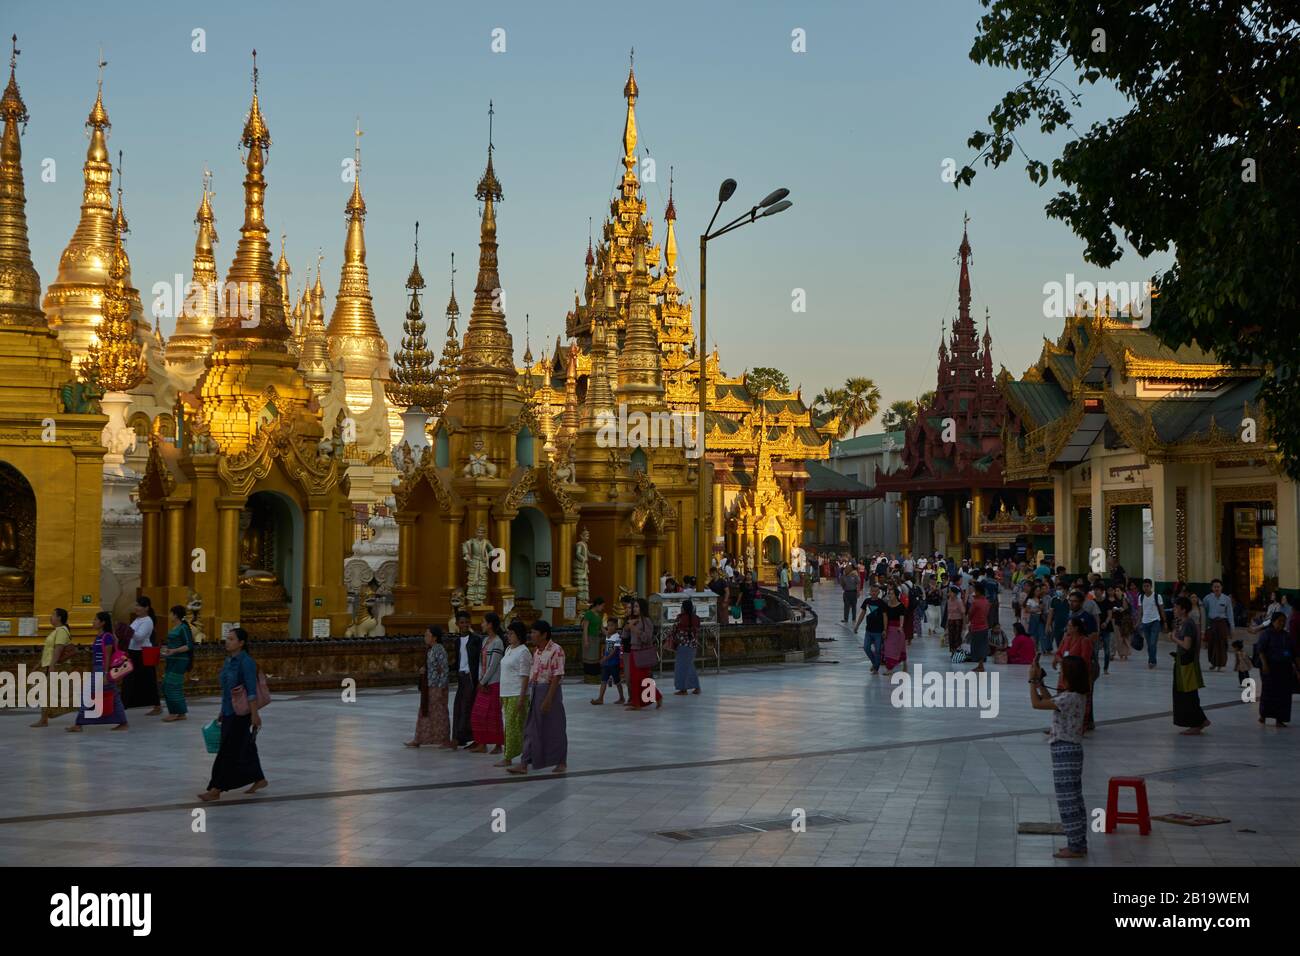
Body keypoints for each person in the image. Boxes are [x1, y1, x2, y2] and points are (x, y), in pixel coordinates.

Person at [1029, 654, 1089, 859]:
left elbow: (1037, 704)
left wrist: (1031, 681)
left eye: (1063, 672)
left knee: (1067, 800)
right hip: (1071, 750)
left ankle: (1075, 846)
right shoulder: (1074, 696)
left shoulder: (1070, 697)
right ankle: (1078, 842)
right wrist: (1039, 682)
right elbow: (1049, 700)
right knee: (1074, 798)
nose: (1061, 675)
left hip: (1066, 751)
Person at [198, 627, 267, 800]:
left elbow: (251, 690)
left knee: (227, 751)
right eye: (227, 639)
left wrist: (254, 715)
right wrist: (222, 710)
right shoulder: (229, 661)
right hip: (229, 711)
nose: (227, 642)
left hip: (241, 713)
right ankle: (259, 778)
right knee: (244, 746)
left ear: (241, 643)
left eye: (231, 639)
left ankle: (216, 788)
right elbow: (227, 691)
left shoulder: (246, 662)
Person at [509, 620, 567, 775]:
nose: (531, 635)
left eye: (535, 632)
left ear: (544, 634)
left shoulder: (556, 650)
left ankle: (561, 761)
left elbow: (557, 676)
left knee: (555, 727)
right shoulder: (536, 651)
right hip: (536, 690)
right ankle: (524, 762)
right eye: (532, 632)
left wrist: (548, 699)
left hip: (550, 691)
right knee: (531, 727)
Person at [67, 612, 128, 732]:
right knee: (114, 697)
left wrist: (105, 674)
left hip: (103, 670)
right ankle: (123, 722)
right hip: (98, 669)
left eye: (96, 620)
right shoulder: (99, 637)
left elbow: (108, 657)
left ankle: (79, 723)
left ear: (102, 623)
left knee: (87, 694)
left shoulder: (107, 637)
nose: (93, 622)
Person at [407, 625, 455, 749]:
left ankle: (445, 740)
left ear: (434, 637)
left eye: (427, 635)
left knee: (440, 713)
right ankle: (419, 738)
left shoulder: (439, 650)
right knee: (425, 711)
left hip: (437, 686)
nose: (425, 637)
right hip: (429, 685)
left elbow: (444, 670)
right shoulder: (430, 649)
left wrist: (440, 688)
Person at [1171, 595, 1210, 735]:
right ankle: (1201, 720)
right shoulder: (1185, 622)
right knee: (1187, 693)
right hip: (1184, 663)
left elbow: (1187, 645)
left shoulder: (1188, 624)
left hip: (1186, 664)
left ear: (1183, 609)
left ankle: (1195, 723)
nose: (1174, 609)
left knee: (1187, 694)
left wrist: (1174, 638)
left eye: (1176, 607)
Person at [497, 621, 533, 766]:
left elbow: (525, 676)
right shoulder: (508, 649)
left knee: (513, 726)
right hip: (506, 692)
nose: (508, 636)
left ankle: (508, 757)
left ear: (518, 635)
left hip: (517, 693)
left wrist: (522, 697)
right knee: (510, 725)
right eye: (508, 633)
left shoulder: (523, 652)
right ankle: (519, 753)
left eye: (511, 633)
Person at [1252, 611, 1297, 727]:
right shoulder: (1266, 634)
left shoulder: (1286, 636)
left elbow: (1293, 653)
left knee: (1284, 694)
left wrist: (1296, 668)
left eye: (1283, 621)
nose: (1282, 624)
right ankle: (1263, 715)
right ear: (1273, 622)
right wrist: (1265, 665)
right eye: (1279, 621)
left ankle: (1280, 719)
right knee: (1268, 692)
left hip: (1284, 668)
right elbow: (1261, 650)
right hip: (1270, 667)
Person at [469, 613, 506, 754]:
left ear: (490, 624)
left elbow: (493, 665)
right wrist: (480, 679)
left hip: (493, 683)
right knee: (478, 714)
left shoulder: (498, 642)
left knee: (493, 714)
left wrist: (483, 681)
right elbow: (481, 663)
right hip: (484, 682)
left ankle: (498, 745)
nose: (482, 624)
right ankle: (482, 742)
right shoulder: (485, 641)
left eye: (484, 622)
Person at [31, 608, 74, 727]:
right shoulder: (56, 631)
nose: (51, 617)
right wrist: (39, 664)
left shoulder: (61, 630)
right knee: (45, 691)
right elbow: (49, 651)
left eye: (53, 615)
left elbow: (58, 649)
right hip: (49, 664)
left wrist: (52, 665)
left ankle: (45, 718)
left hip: (57, 666)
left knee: (48, 692)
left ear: (59, 618)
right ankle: (44, 718)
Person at [1054, 616, 1097, 731]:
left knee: (1078, 701)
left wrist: (1066, 662)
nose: (1067, 628)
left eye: (1069, 626)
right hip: (1064, 675)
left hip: (1077, 677)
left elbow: (1085, 661)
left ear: (1076, 628)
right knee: (1061, 699)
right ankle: (1059, 724)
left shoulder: (1085, 641)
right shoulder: (1066, 639)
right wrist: (1060, 660)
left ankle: (1080, 725)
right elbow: (1058, 653)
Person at [122, 596, 161, 714]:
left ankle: (157, 706)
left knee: (148, 680)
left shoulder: (148, 621)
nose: (136, 608)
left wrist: (128, 630)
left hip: (143, 653)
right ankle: (126, 703)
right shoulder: (137, 619)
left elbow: (139, 637)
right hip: (133, 652)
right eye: (136, 605)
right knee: (129, 679)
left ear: (146, 608)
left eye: (139, 606)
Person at [158, 604, 194, 722]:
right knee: (167, 685)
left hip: (180, 660)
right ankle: (180, 712)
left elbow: (189, 645)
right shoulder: (174, 628)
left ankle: (174, 712)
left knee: (171, 685)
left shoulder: (183, 628)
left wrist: (174, 650)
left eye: (171, 613)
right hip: (171, 659)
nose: (170, 616)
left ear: (176, 615)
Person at [451, 611, 482, 747]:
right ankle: (460, 737)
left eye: (466, 622)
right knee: (458, 706)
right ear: (457, 624)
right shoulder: (457, 641)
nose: (464, 625)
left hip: (471, 677)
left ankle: (464, 737)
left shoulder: (476, 639)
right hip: (461, 676)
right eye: (462, 622)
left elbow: (479, 659)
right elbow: (458, 659)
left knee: (466, 707)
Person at [625, 597, 662, 709]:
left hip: (642, 652)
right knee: (636, 679)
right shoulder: (634, 620)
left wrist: (634, 628)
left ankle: (638, 703)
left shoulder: (647, 621)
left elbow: (646, 638)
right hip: (633, 651)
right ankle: (654, 697)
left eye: (636, 606)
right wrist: (627, 626)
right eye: (633, 606)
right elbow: (625, 636)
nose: (634, 609)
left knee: (641, 679)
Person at [670, 598, 702, 695]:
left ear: (683, 608)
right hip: (693, 645)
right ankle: (696, 687)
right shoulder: (696, 618)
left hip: (682, 645)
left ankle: (683, 689)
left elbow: (674, 630)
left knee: (681, 668)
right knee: (690, 666)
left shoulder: (680, 618)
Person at [853, 583, 888, 673]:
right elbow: (862, 614)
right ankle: (875, 663)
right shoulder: (867, 601)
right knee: (866, 647)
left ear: (879, 592)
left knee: (878, 650)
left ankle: (876, 668)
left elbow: (885, 616)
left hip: (878, 631)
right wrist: (857, 625)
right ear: (870, 592)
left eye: (876, 591)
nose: (873, 593)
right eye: (872, 591)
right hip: (868, 630)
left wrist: (885, 629)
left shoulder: (881, 603)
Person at [591, 618, 625, 705]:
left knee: (617, 681)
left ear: (616, 626)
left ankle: (622, 697)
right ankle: (600, 698)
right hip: (607, 663)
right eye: (608, 625)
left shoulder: (617, 637)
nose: (609, 627)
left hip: (614, 663)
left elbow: (614, 651)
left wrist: (605, 658)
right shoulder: (608, 635)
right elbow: (603, 631)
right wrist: (599, 623)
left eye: (612, 625)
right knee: (603, 680)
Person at [1202, 579, 1234, 671]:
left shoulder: (1226, 599)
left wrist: (1232, 628)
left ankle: (1221, 664)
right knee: (1212, 644)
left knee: (1222, 644)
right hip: (1212, 623)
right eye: (1215, 587)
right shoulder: (1207, 598)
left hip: (1222, 623)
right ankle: (1213, 663)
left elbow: (1230, 614)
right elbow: (1204, 612)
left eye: (1218, 587)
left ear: (1221, 587)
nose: (1217, 588)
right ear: (1212, 588)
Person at [1137, 579, 1165, 669]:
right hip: (1145, 622)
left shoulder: (1157, 596)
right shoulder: (1141, 597)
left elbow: (1161, 609)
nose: (1145, 588)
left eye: (1147, 586)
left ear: (1151, 586)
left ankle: (1151, 661)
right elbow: (1140, 611)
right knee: (1149, 644)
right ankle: (1152, 659)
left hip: (1155, 621)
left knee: (1153, 643)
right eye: (1144, 586)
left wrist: (1165, 622)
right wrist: (1138, 622)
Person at [881, 586, 908, 673]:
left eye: (891, 594)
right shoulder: (886, 605)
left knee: (899, 649)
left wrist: (900, 626)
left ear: (896, 595)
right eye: (889, 594)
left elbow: (901, 618)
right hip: (889, 629)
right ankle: (889, 668)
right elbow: (885, 617)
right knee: (889, 649)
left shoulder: (901, 606)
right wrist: (884, 629)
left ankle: (904, 664)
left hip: (897, 630)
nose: (890, 595)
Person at [580, 597, 606, 683]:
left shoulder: (599, 615)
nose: (603, 608)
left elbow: (601, 628)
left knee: (595, 658)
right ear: (597, 605)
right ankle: (589, 677)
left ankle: (595, 677)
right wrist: (586, 640)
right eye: (602, 606)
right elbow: (585, 628)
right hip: (589, 637)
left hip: (596, 638)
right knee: (588, 657)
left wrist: (610, 635)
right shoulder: (589, 614)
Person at [967, 582, 991, 672]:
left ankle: (980, 665)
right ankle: (981, 664)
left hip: (976, 627)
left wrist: (968, 622)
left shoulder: (976, 602)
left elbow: (970, 614)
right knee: (982, 646)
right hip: (984, 626)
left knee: (976, 646)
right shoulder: (986, 601)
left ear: (978, 592)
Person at [944, 584, 966, 654]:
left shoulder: (959, 601)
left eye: (950, 592)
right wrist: (946, 623)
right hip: (951, 621)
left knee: (957, 637)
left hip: (958, 621)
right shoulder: (949, 601)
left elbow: (963, 613)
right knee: (951, 637)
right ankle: (952, 651)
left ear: (955, 593)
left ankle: (957, 651)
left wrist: (964, 624)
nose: (949, 593)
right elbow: (948, 612)